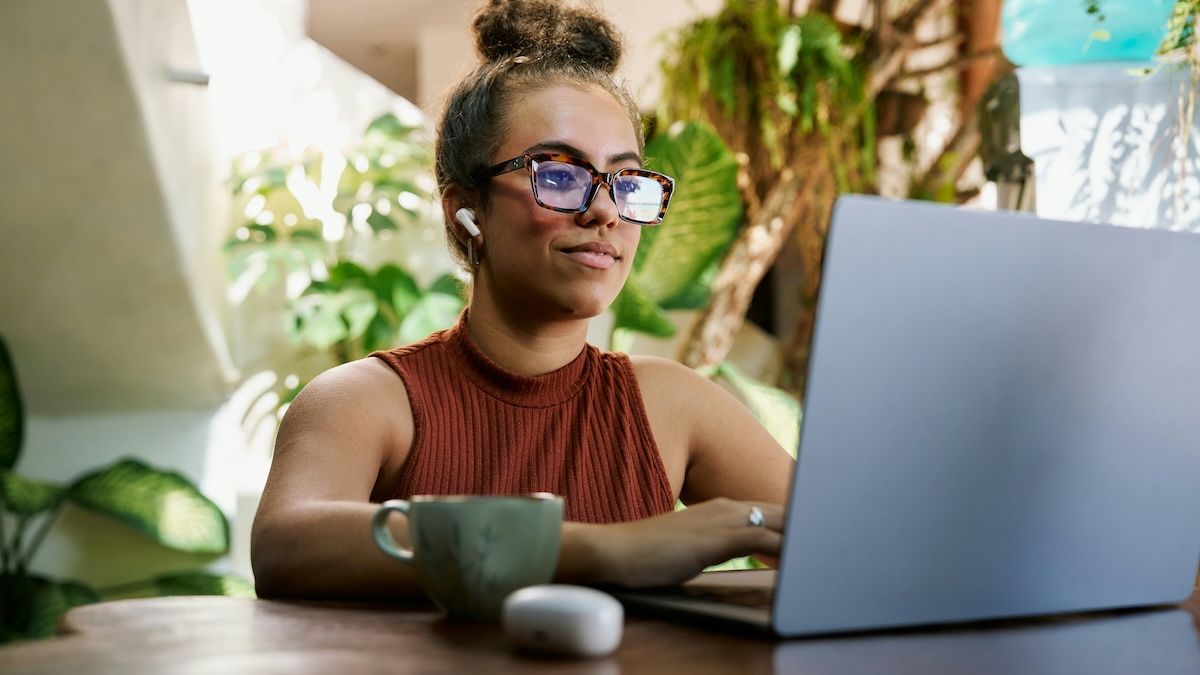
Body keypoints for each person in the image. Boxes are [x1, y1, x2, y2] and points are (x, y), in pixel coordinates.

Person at [251, 0, 796, 600]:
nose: (605, 211)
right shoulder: (367, 401)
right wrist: (606, 552)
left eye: (626, 180)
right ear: (466, 210)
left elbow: (846, 549)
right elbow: (286, 543)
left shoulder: (672, 404)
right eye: (560, 175)